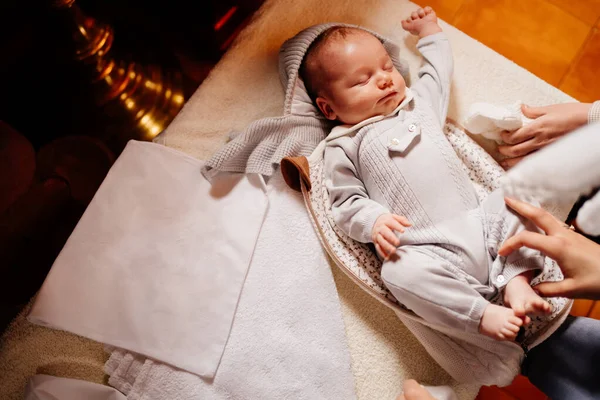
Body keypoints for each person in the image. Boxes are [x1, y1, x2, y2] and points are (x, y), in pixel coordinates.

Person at [301, 6, 551, 341]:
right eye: (363, 80)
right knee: (397, 273)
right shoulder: (344, 145)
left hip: (480, 223)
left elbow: (437, 73)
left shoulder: (419, 103)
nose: (385, 78)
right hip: (424, 249)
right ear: (329, 108)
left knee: (516, 196)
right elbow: (344, 205)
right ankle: (481, 313)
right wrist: (373, 221)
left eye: (387, 66)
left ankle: (517, 280)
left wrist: (430, 33)